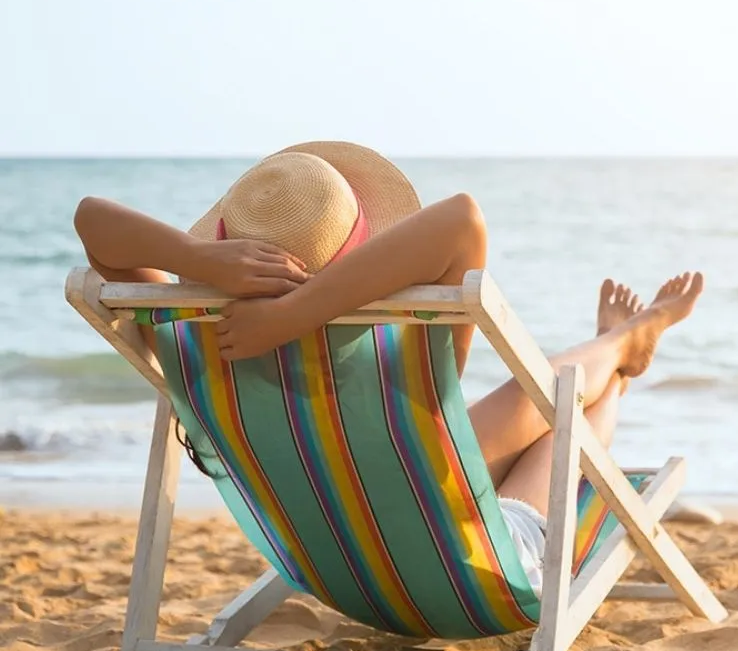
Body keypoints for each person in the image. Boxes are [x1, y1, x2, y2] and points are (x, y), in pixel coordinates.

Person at [74, 141, 703, 597]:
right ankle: (621, 351)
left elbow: (92, 221)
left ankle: (620, 343)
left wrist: (197, 260)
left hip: (331, 560)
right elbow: (463, 218)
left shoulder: (191, 339)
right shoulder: (384, 358)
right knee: (568, 406)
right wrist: (297, 314)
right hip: (468, 566)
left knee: (532, 399)